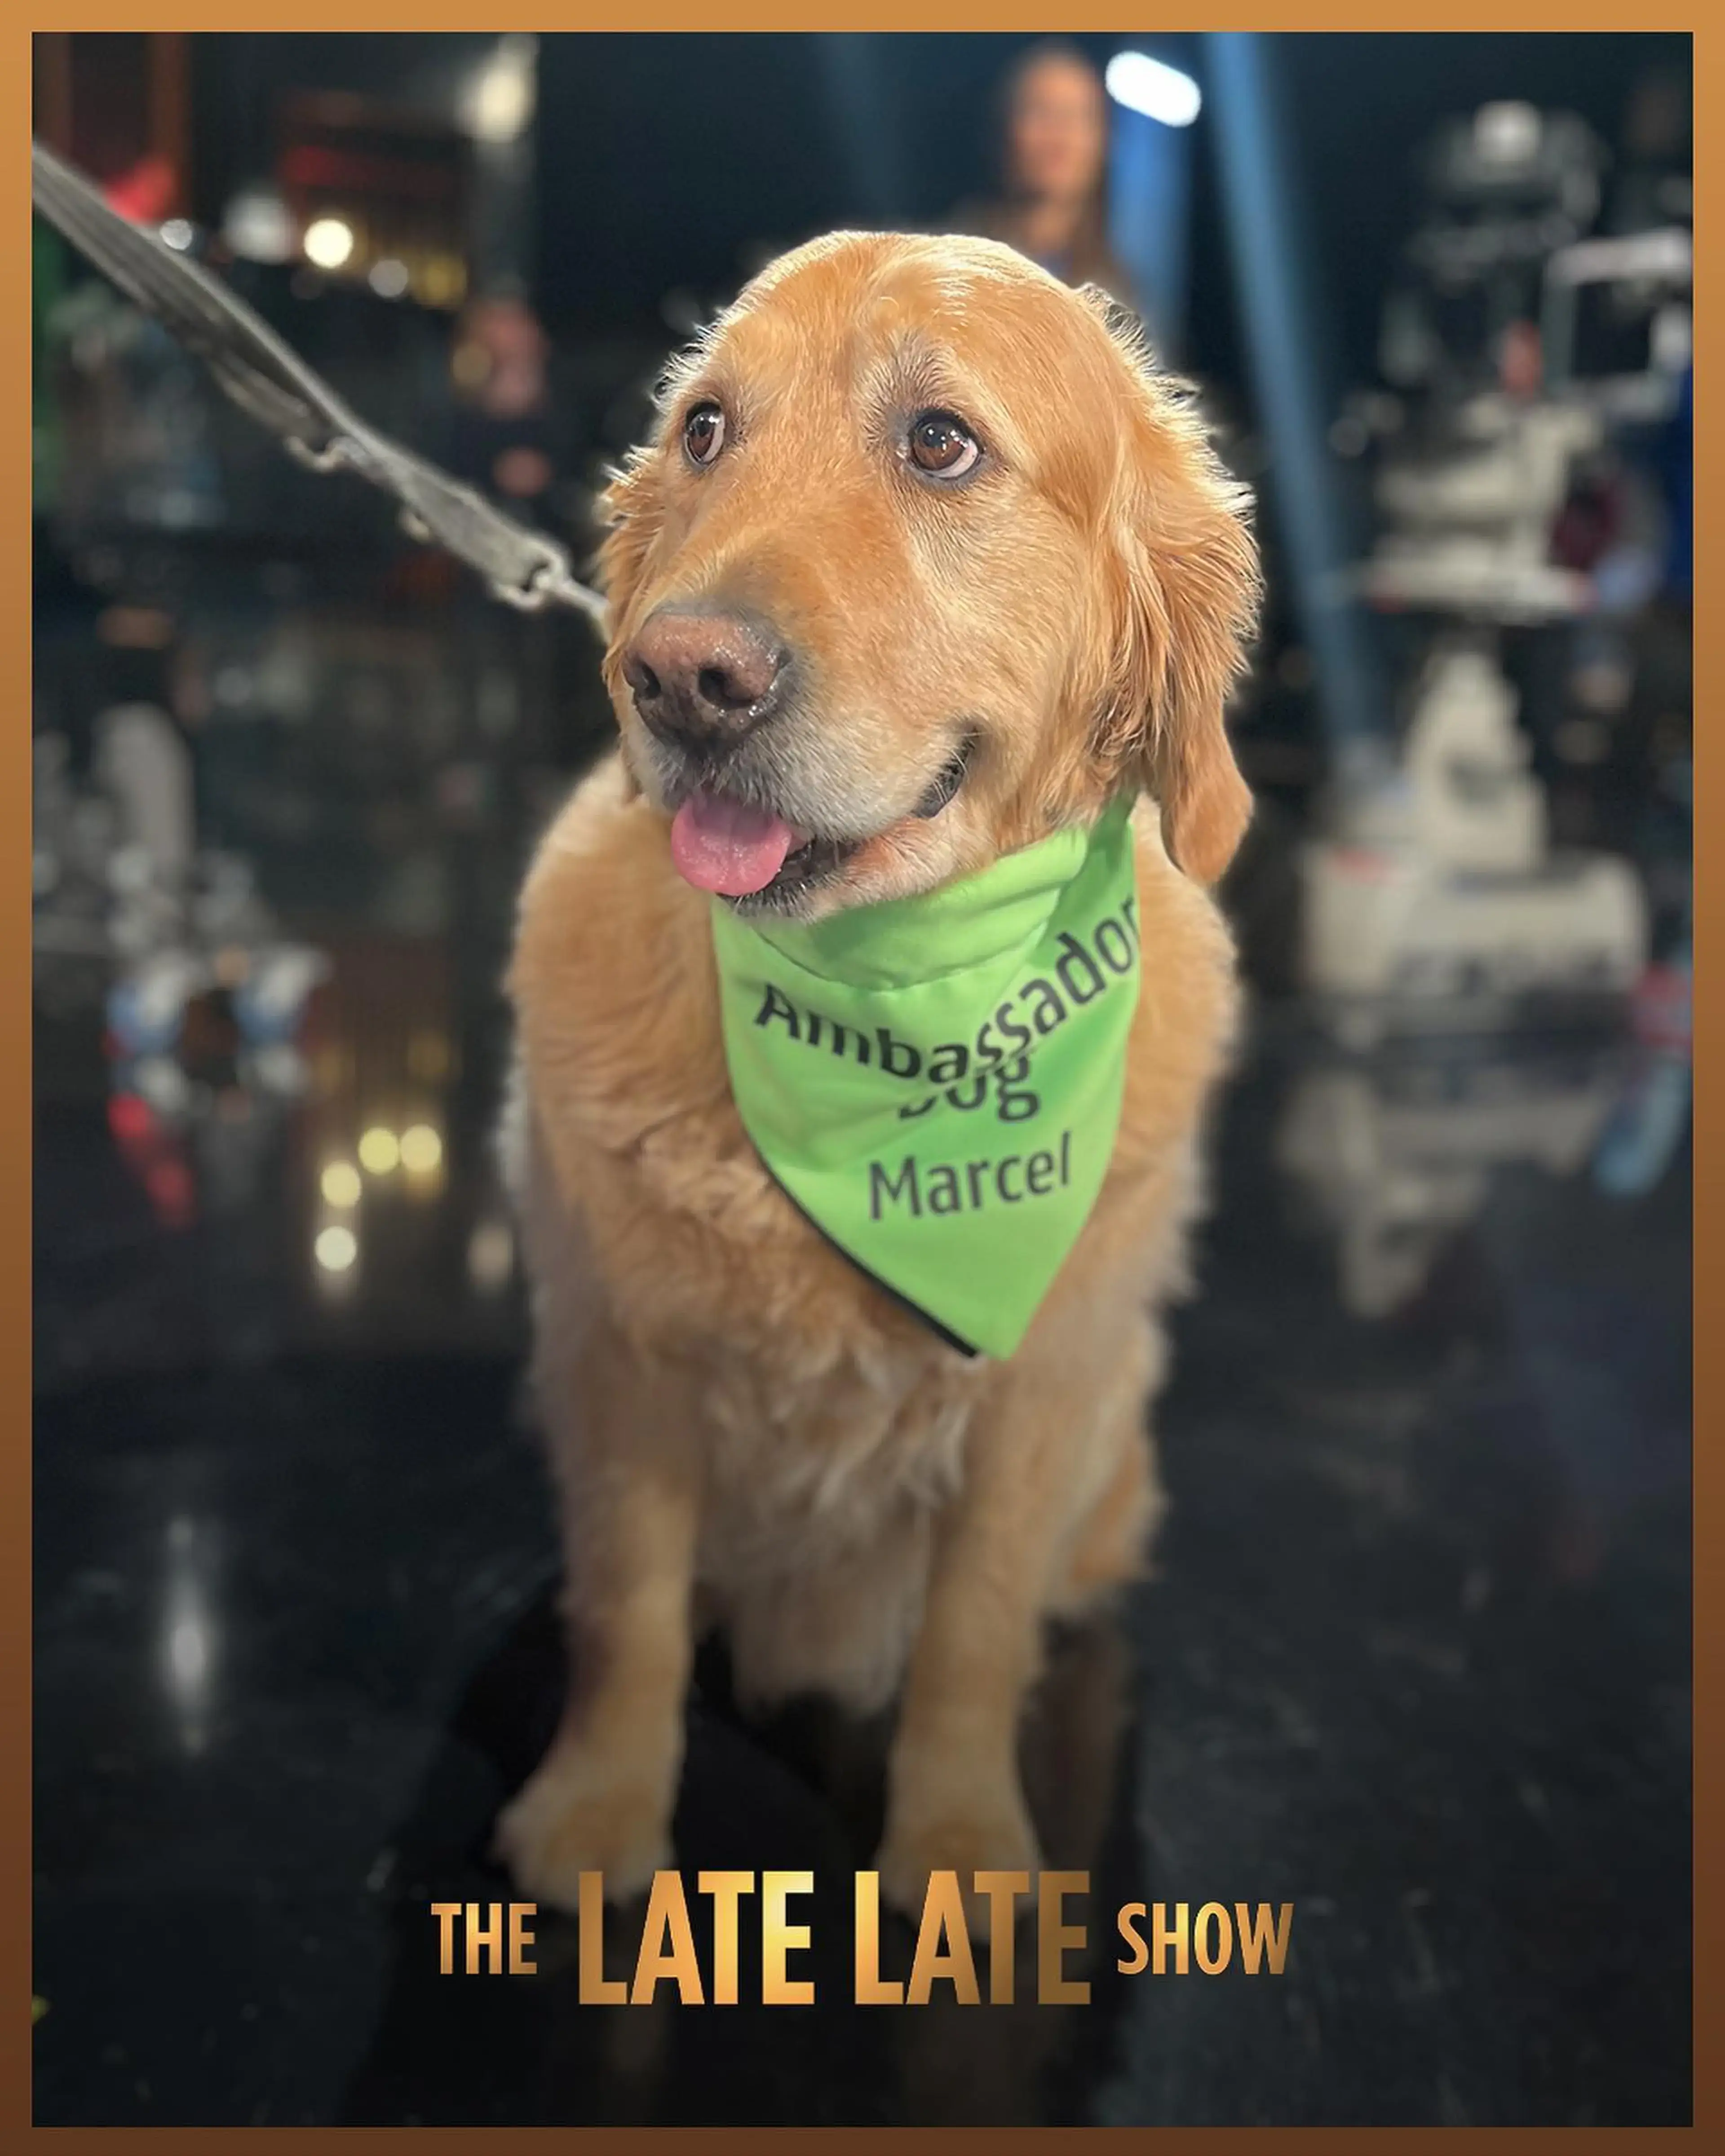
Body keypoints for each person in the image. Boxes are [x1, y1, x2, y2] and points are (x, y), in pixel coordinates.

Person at [948, 40, 1138, 314]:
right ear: (1003, 129)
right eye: (1040, 111)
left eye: (1078, 116)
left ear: (1105, 142)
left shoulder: (1120, 295)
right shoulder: (950, 265)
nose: (1059, 135)